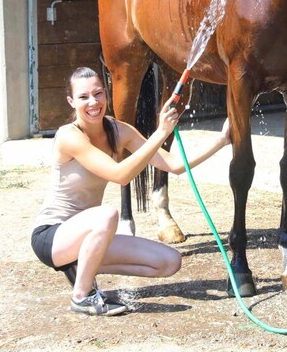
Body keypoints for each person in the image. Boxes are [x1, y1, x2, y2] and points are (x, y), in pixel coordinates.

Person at [31, 66, 231, 316]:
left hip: (91, 239)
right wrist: (160, 133)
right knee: (107, 215)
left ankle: (81, 266)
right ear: (72, 102)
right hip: (53, 237)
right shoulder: (68, 136)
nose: (93, 102)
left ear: (106, 94)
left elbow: (173, 165)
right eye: (83, 97)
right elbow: (120, 175)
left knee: (170, 262)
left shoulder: (118, 130)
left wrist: (222, 141)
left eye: (98, 94)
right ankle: (82, 296)